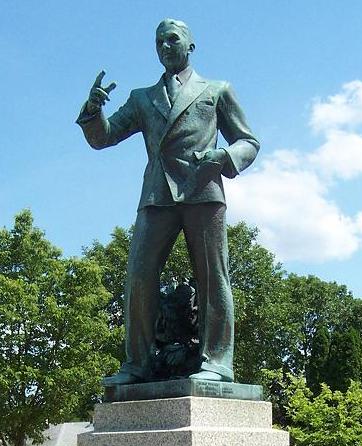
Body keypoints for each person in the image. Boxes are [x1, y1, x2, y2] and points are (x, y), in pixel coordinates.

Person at [77, 18, 260, 384]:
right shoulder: (142, 98)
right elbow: (104, 138)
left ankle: (217, 362)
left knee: (213, 277)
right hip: (157, 194)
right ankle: (137, 364)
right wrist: (94, 110)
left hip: (202, 190)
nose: (164, 46)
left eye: (172, 39)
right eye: (158, 41)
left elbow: (248, 142)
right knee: (139, 276)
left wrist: (223, 156)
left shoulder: (217, 90)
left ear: (191, 45)